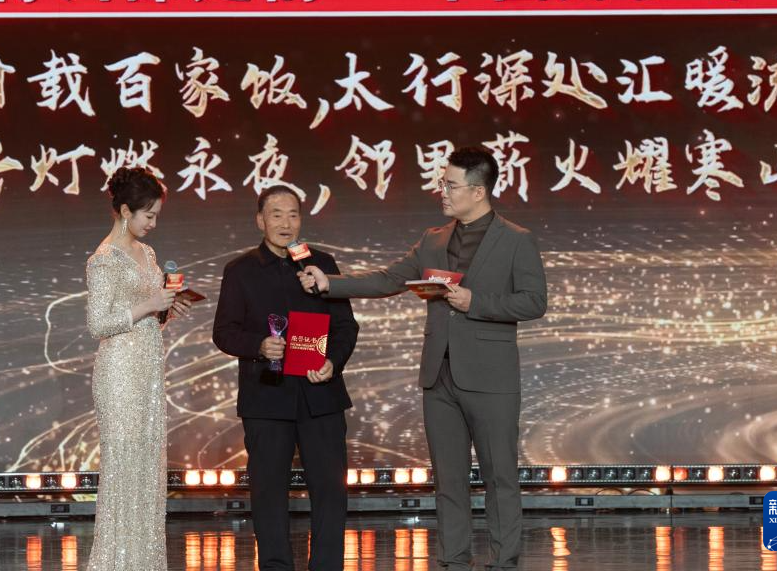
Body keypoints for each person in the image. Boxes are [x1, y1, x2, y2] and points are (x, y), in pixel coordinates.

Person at [300, 147, 547, 571]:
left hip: (491, 378)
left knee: (500, 477)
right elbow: (389, 279)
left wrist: (475, 301)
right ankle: (453, 560)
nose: (443, 192)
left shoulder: (516, 239)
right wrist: (330, 284)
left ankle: (504, 561)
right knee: (449, 479)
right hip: (439, 376)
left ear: (479, 191)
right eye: (442, 184)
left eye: (451, 185)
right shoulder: (433, 239)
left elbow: (534, 301)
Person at [213, 185, 359, 571]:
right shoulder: (240, 271)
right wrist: (259, 345)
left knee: (330, 491)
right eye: (276, 214)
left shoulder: (321, 263)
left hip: (320, 394)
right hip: (267, 397)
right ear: (260, 221)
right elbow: (224, 332)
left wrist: (333, 362)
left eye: (293, 214)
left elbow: (346, 327)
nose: (285, 222)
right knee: (268, 493)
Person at [84, 166, 192, 571]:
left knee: (147, 465)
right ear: (125, 211)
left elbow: (146, 317)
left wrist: (166, 310)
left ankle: (143, 561)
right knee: (125, 466)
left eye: (156, 216)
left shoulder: (147, 254)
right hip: (119, 373)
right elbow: (99, 324)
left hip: (147, 369)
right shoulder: (103, 260)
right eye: (148, 215)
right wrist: (149, 304)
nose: (153, 223)